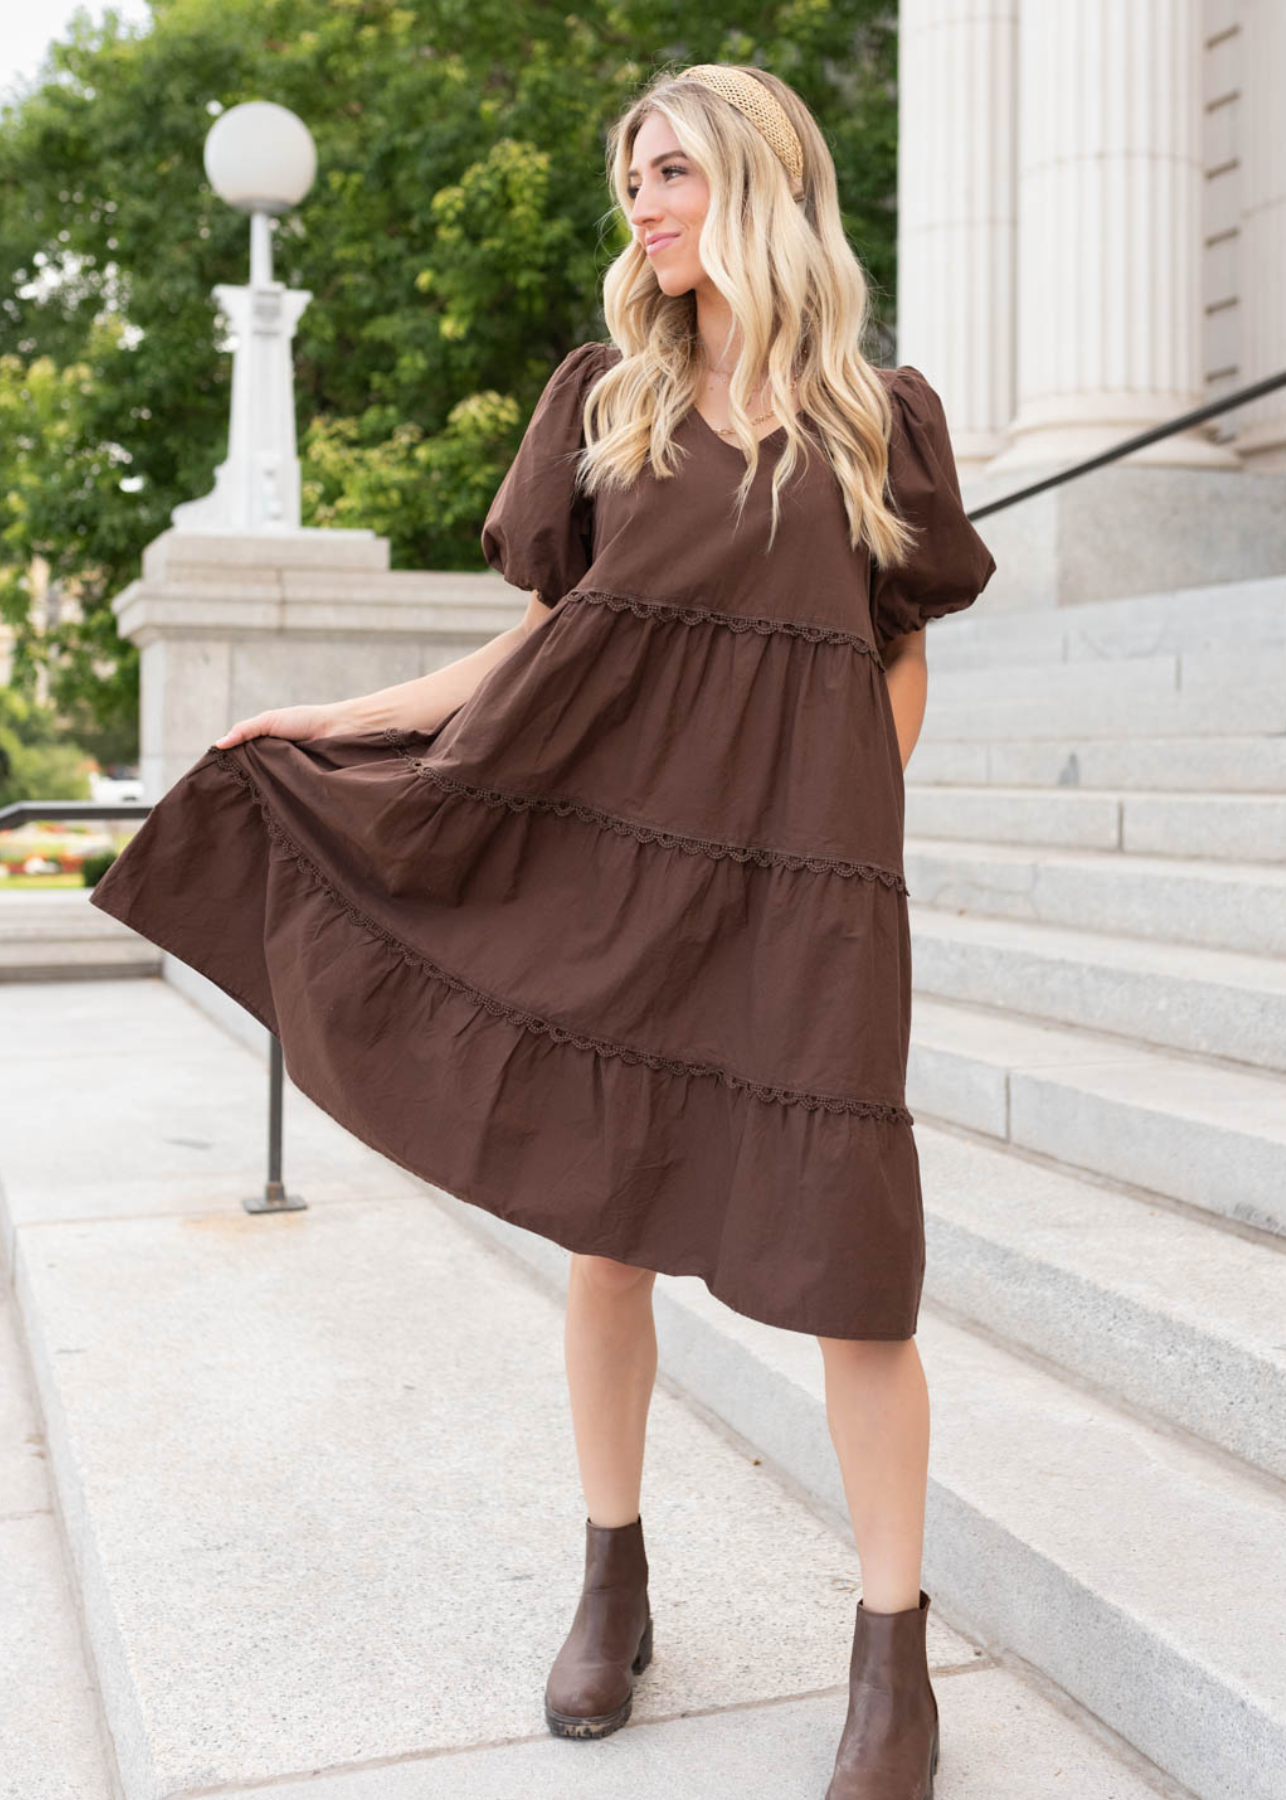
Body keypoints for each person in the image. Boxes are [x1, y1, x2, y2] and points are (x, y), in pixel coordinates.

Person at [90, 60, 996, 1799]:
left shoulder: (880, 420)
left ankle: (894, 1659)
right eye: (629, 181)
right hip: (621, 891)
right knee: (607, 1237)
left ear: (756, 181)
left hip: (803, 911)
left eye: (669, 172)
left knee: (857, 1285)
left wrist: (828, 850)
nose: (643, 205)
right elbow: (532, 659)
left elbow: (896, 652)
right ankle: (612, 1569)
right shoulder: (607, 404)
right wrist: (333, 723)